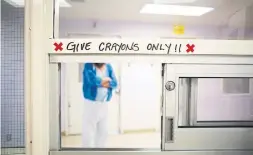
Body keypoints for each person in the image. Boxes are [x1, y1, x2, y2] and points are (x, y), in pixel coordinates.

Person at [82, 63, 118, 148]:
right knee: (88, 133)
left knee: (103, 132)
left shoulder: (109, 67)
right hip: (91, 104)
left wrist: (102, 82)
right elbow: (92, 80)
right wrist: (106, 80)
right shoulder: (88, 65)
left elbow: (115, 83)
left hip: (104, 103)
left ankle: (100, 151)